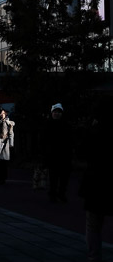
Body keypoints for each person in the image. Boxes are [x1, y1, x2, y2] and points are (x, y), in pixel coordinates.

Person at [79, 101, 113, 262]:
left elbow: (83, 152)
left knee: (93, 223)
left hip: (95, 181)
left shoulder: (93, 131)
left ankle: (94, 255)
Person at [42, 102, 73, 203]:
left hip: (64, 155)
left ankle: (61, 193)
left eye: (59, 112)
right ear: (52, 113)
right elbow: (43, 141)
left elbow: (70, 140)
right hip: (52, 155)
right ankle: (53, 194)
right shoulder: (47, 125)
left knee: (64, 177)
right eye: (55, 112)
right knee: (53, 177)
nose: (57, 114)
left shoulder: (66, 125)